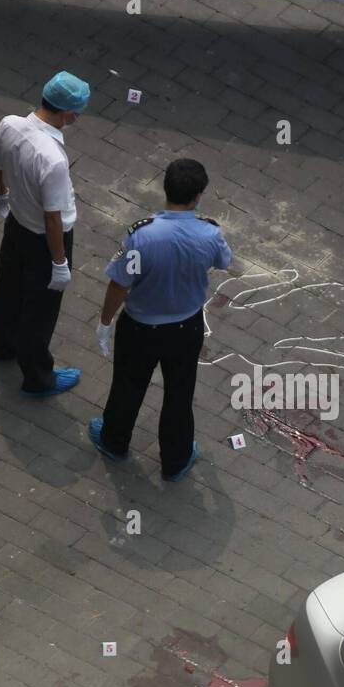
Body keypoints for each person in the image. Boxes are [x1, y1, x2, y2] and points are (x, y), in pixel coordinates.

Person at [89, 159, 233, 481]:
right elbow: (224, 262)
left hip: (140, 327)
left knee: (128, 385)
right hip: (186, 328)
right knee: (179, 393)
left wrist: (105, 322)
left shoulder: (142, 237)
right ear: (198, 196)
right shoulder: (209, 233)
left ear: (165, 188)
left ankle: (114, 441)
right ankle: (176, 459)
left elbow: (119, 283)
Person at [0, 70, 90, 396]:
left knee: (7, 287)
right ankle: (38, 378)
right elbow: (52, 220)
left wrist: (2, 195)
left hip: (16, 224)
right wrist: (59, 262)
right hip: (44, 242)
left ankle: (4, 346)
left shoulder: (9, 124)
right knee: (40, 311)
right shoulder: (53, 159)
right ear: (69, 113)